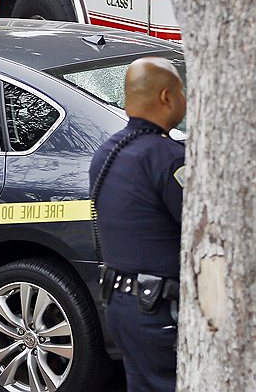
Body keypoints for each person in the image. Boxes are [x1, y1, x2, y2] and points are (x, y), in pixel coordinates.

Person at [89, 56, 186, 392]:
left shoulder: (107, 151)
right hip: (160, 311)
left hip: (122, 305)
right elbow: (199, 229)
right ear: (166, 97)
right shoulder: (168, 157)